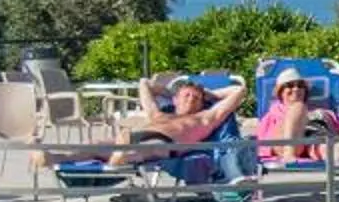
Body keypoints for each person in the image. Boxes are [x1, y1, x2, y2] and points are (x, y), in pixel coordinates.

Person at [39, 72, 250, 173]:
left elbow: (239, 91)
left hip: (167, 143)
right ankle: (52, 157)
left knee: (147, 149)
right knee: (94, 145)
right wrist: (169, 91)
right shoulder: (158, 114)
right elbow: (144, 84)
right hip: (136, 136)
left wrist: (210, 94)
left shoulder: (204, 118)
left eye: (195, 98)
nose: (190, 99)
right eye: (185, 95)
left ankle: (121, 158)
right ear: (175, 99)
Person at [254, 71, 339, 165]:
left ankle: (332, 152)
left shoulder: (319, 110)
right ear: (281, 92)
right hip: (283, 144)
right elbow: (263, 139)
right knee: (299, 107)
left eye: (300, 86)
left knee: (318, 129)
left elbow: (338, 129)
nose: (296, 89)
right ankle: (289, 152)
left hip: (309, 142)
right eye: (290, 85)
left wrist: (325, 117)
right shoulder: (274, 113)